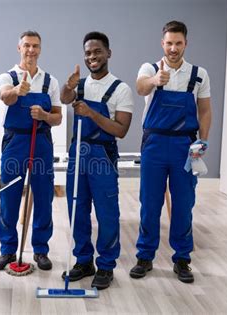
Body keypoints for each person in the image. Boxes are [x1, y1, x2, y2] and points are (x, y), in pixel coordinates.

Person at [129, 21, 212, 283]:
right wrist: (155, 80)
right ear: (162, 43)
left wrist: (203, 142)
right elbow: (140, 87)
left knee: (184, 204)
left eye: (178, 43)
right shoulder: (150, 68)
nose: (173, 48)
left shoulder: (199, 74)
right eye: (169, 43)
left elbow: (205, 110)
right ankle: (145, 256)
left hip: (185, 147)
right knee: (150, 203)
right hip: (154, 144)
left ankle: (182, 259)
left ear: (186, 43)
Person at [60, 31, 134, 290]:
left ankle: (105, 265)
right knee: (77, 208)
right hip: (77, 153)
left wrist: (91, 113)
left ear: (108, 53)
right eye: (88, 52)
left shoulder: (121, 89)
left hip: (102, 155)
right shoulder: (80, 85)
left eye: (97, 51)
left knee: (106, 212)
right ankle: (83, 260)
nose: (92, 56)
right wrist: (69, 87)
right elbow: (64, 99)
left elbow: (120, 130)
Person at [0, 30, 62, 271]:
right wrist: (16, 91)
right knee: (9, 197)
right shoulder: (7, 76)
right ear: (19, 48)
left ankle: (41, 250)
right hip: (15, 143)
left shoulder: (50, 82)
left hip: (41, 143)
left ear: (40, 49)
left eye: (35, 46)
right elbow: (4, 97)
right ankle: (8, 250)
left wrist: (44, 116)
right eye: (26, 46)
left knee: (44, 197)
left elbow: (58, 117)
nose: (31, 50)